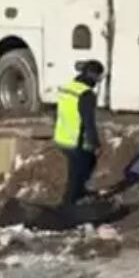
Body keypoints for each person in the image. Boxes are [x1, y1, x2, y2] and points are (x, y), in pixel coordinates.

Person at [53, 60, 103, 206]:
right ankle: (68, 205)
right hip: (74, 141)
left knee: (88, 160)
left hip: (61, 137)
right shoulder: (86, 94)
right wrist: (95, 143)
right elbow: (88, 121)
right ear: (94, 77)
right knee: (76, 174)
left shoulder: (67, 87)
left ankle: (79, 191)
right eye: (99, 78)